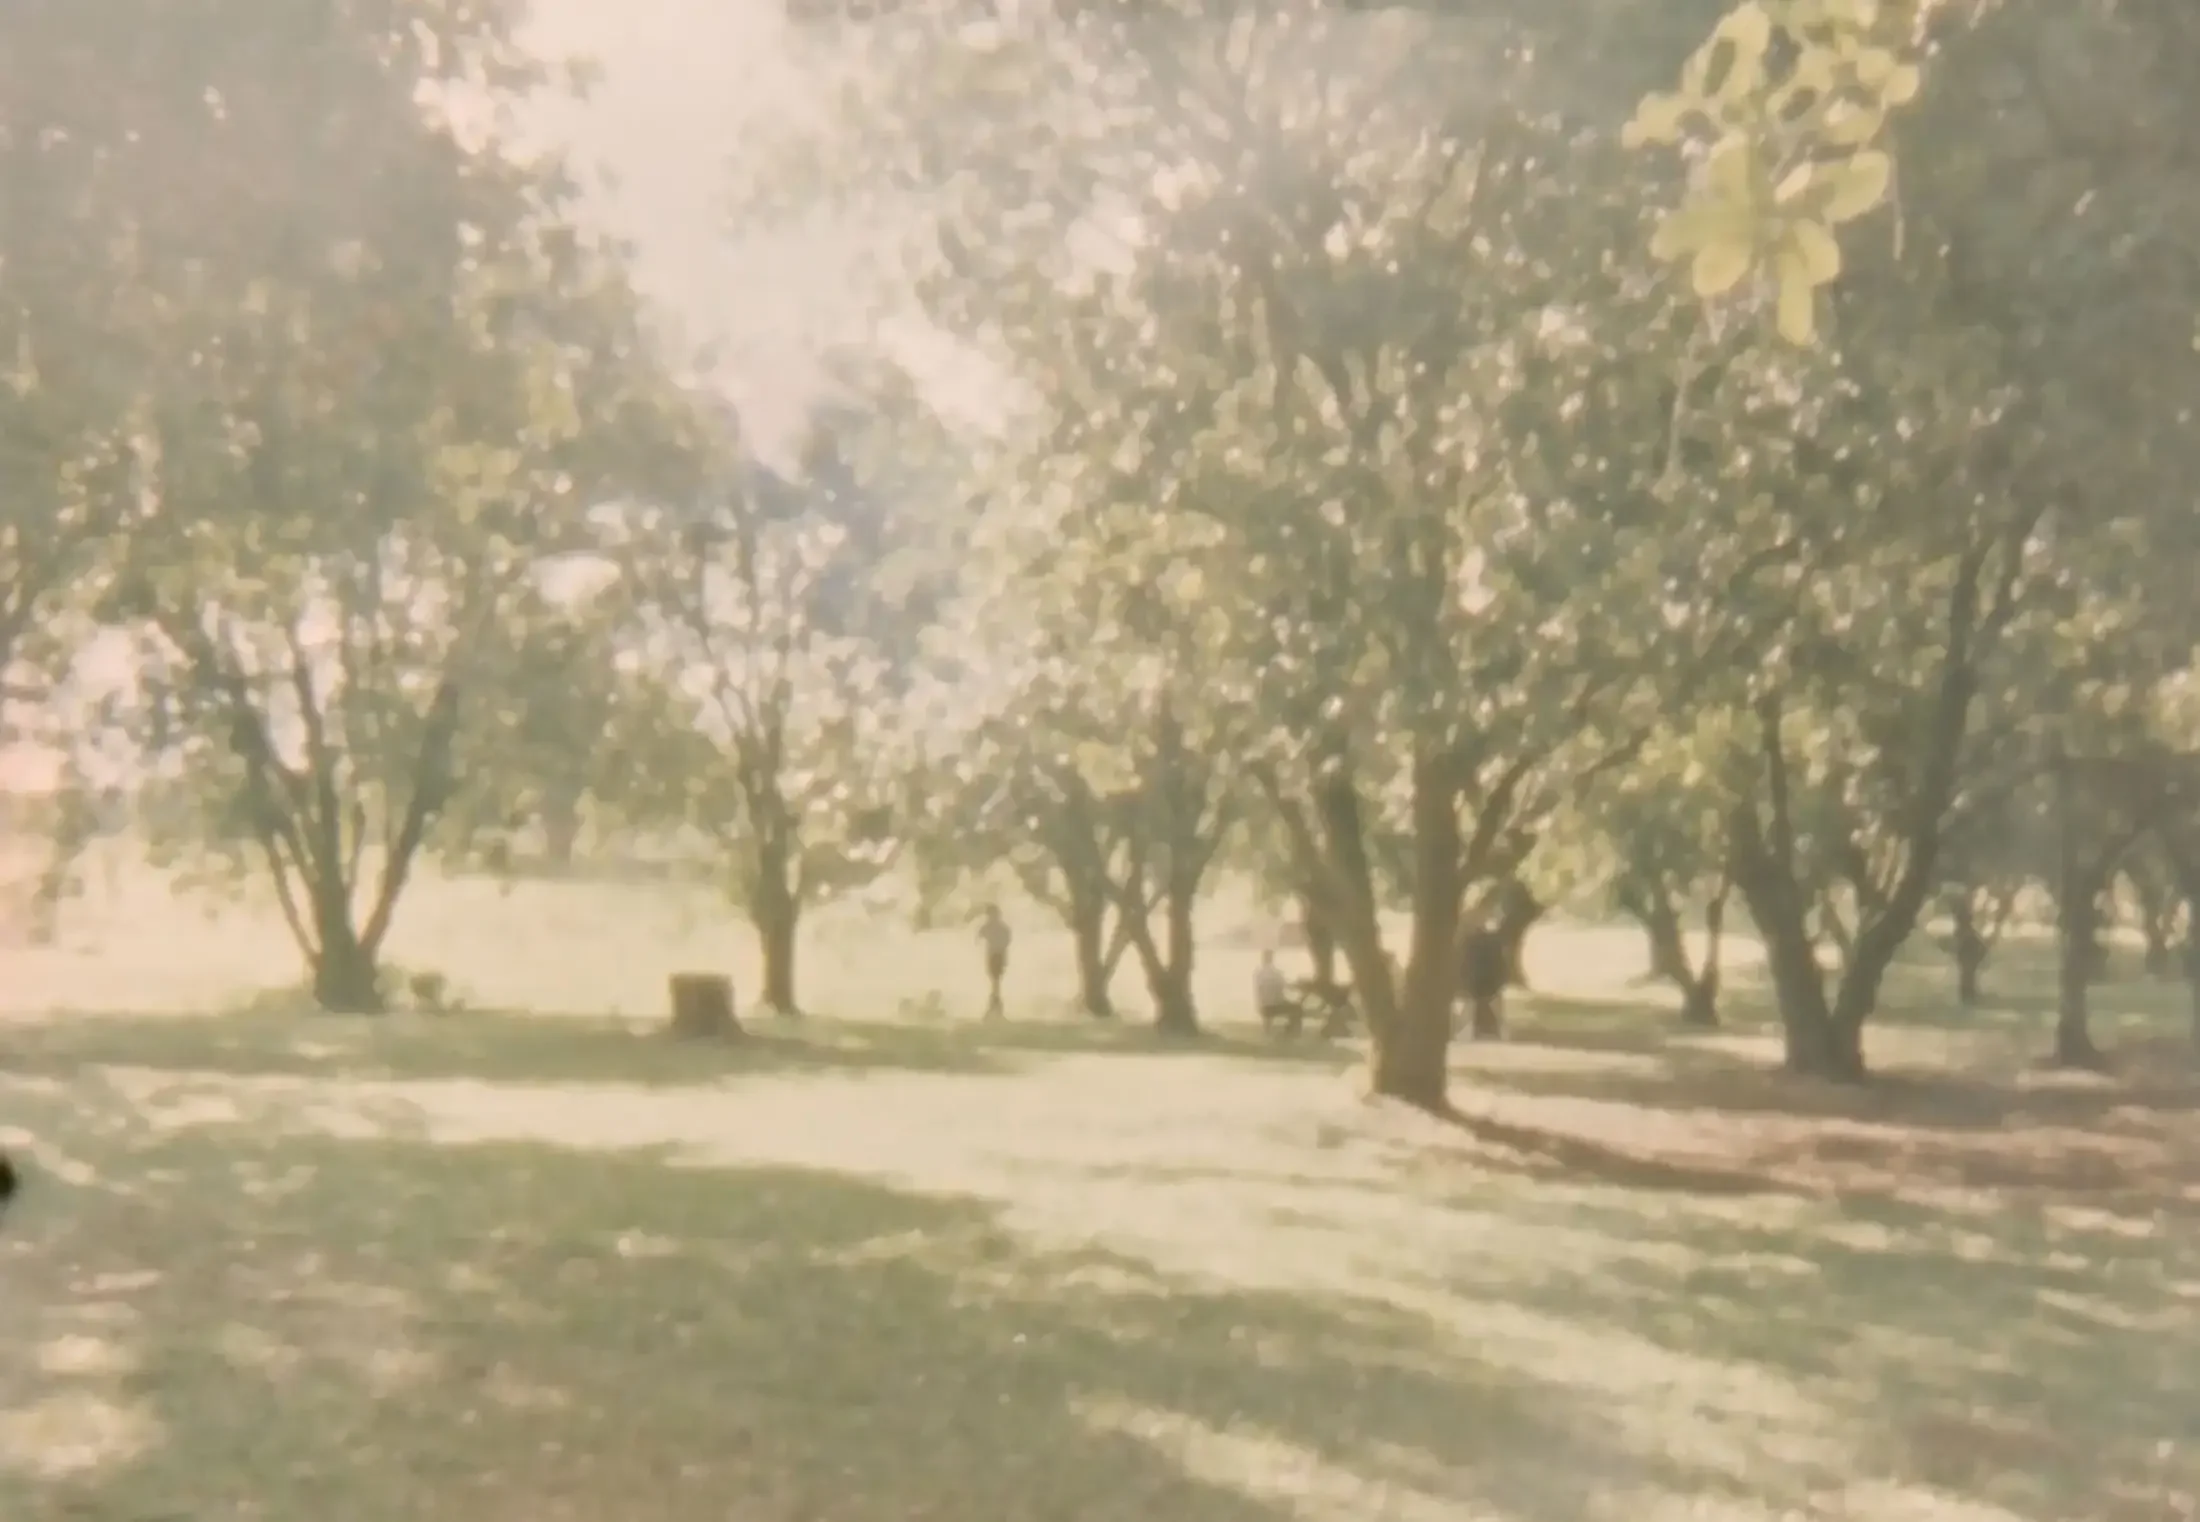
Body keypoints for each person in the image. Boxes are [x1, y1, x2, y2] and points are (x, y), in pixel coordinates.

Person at [978, 906, 1013, 1019]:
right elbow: (980, 935)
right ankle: (995, 1000)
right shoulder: (994, 927)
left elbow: (1007, 940)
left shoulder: (998, 927)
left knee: (995, 978)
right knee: (995, 979)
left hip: (997, 955)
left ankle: (995, 1001)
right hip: (994, 954)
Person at [1254, 948, 1294, 1033]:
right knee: (1296, 1009)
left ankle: (1267, 1030)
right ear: (1272, 959)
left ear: (1263, 959)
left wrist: (1259, 1004)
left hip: (1263, 1006)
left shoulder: (1258, 973)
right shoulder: (1277, 973)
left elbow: (1258, 991)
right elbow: (1284, 987)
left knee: (1267, 1003)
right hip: (1275, 1006)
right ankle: (1292, 1032)